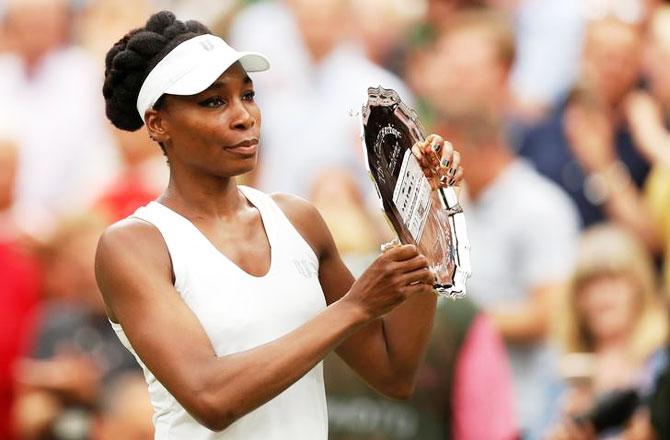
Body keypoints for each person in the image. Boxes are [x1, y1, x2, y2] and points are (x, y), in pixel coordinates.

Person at [95, 11, 463, 439]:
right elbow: (211, 399)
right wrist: (353, 307)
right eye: (213, 101)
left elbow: (393, 374)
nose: (243, 116)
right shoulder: (135, 245)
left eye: (248, 95)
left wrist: (425, 220)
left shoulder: (298, 220)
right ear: (158, 124)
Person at [548, 224, 668, 439]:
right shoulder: (564, 366)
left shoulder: (661, 359)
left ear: (638, 287)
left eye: (613, 281)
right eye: (589, 285)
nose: (601, 296)